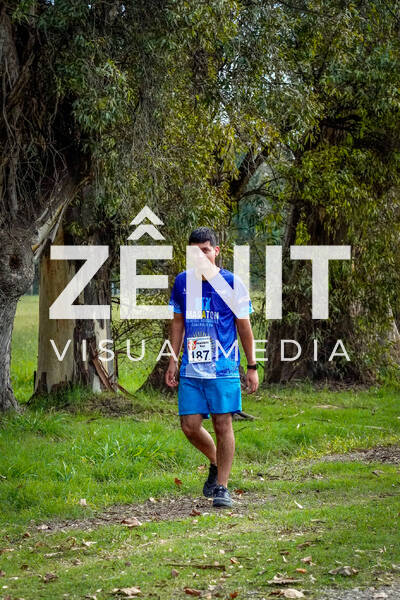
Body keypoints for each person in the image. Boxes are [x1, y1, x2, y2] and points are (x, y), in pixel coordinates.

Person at [165, 226, 259, 508]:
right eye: (194, 251)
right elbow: (177, 323)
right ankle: (216, 462)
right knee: (189, 426)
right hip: (192, 369)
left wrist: (252, 366)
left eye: (205, 250)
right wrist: (172, 358)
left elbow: (244, 327)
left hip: (223, 368)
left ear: (216, 251)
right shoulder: (183, 282)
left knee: (222, 423)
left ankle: (222, 487)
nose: (200, 256)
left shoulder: (231, 283)